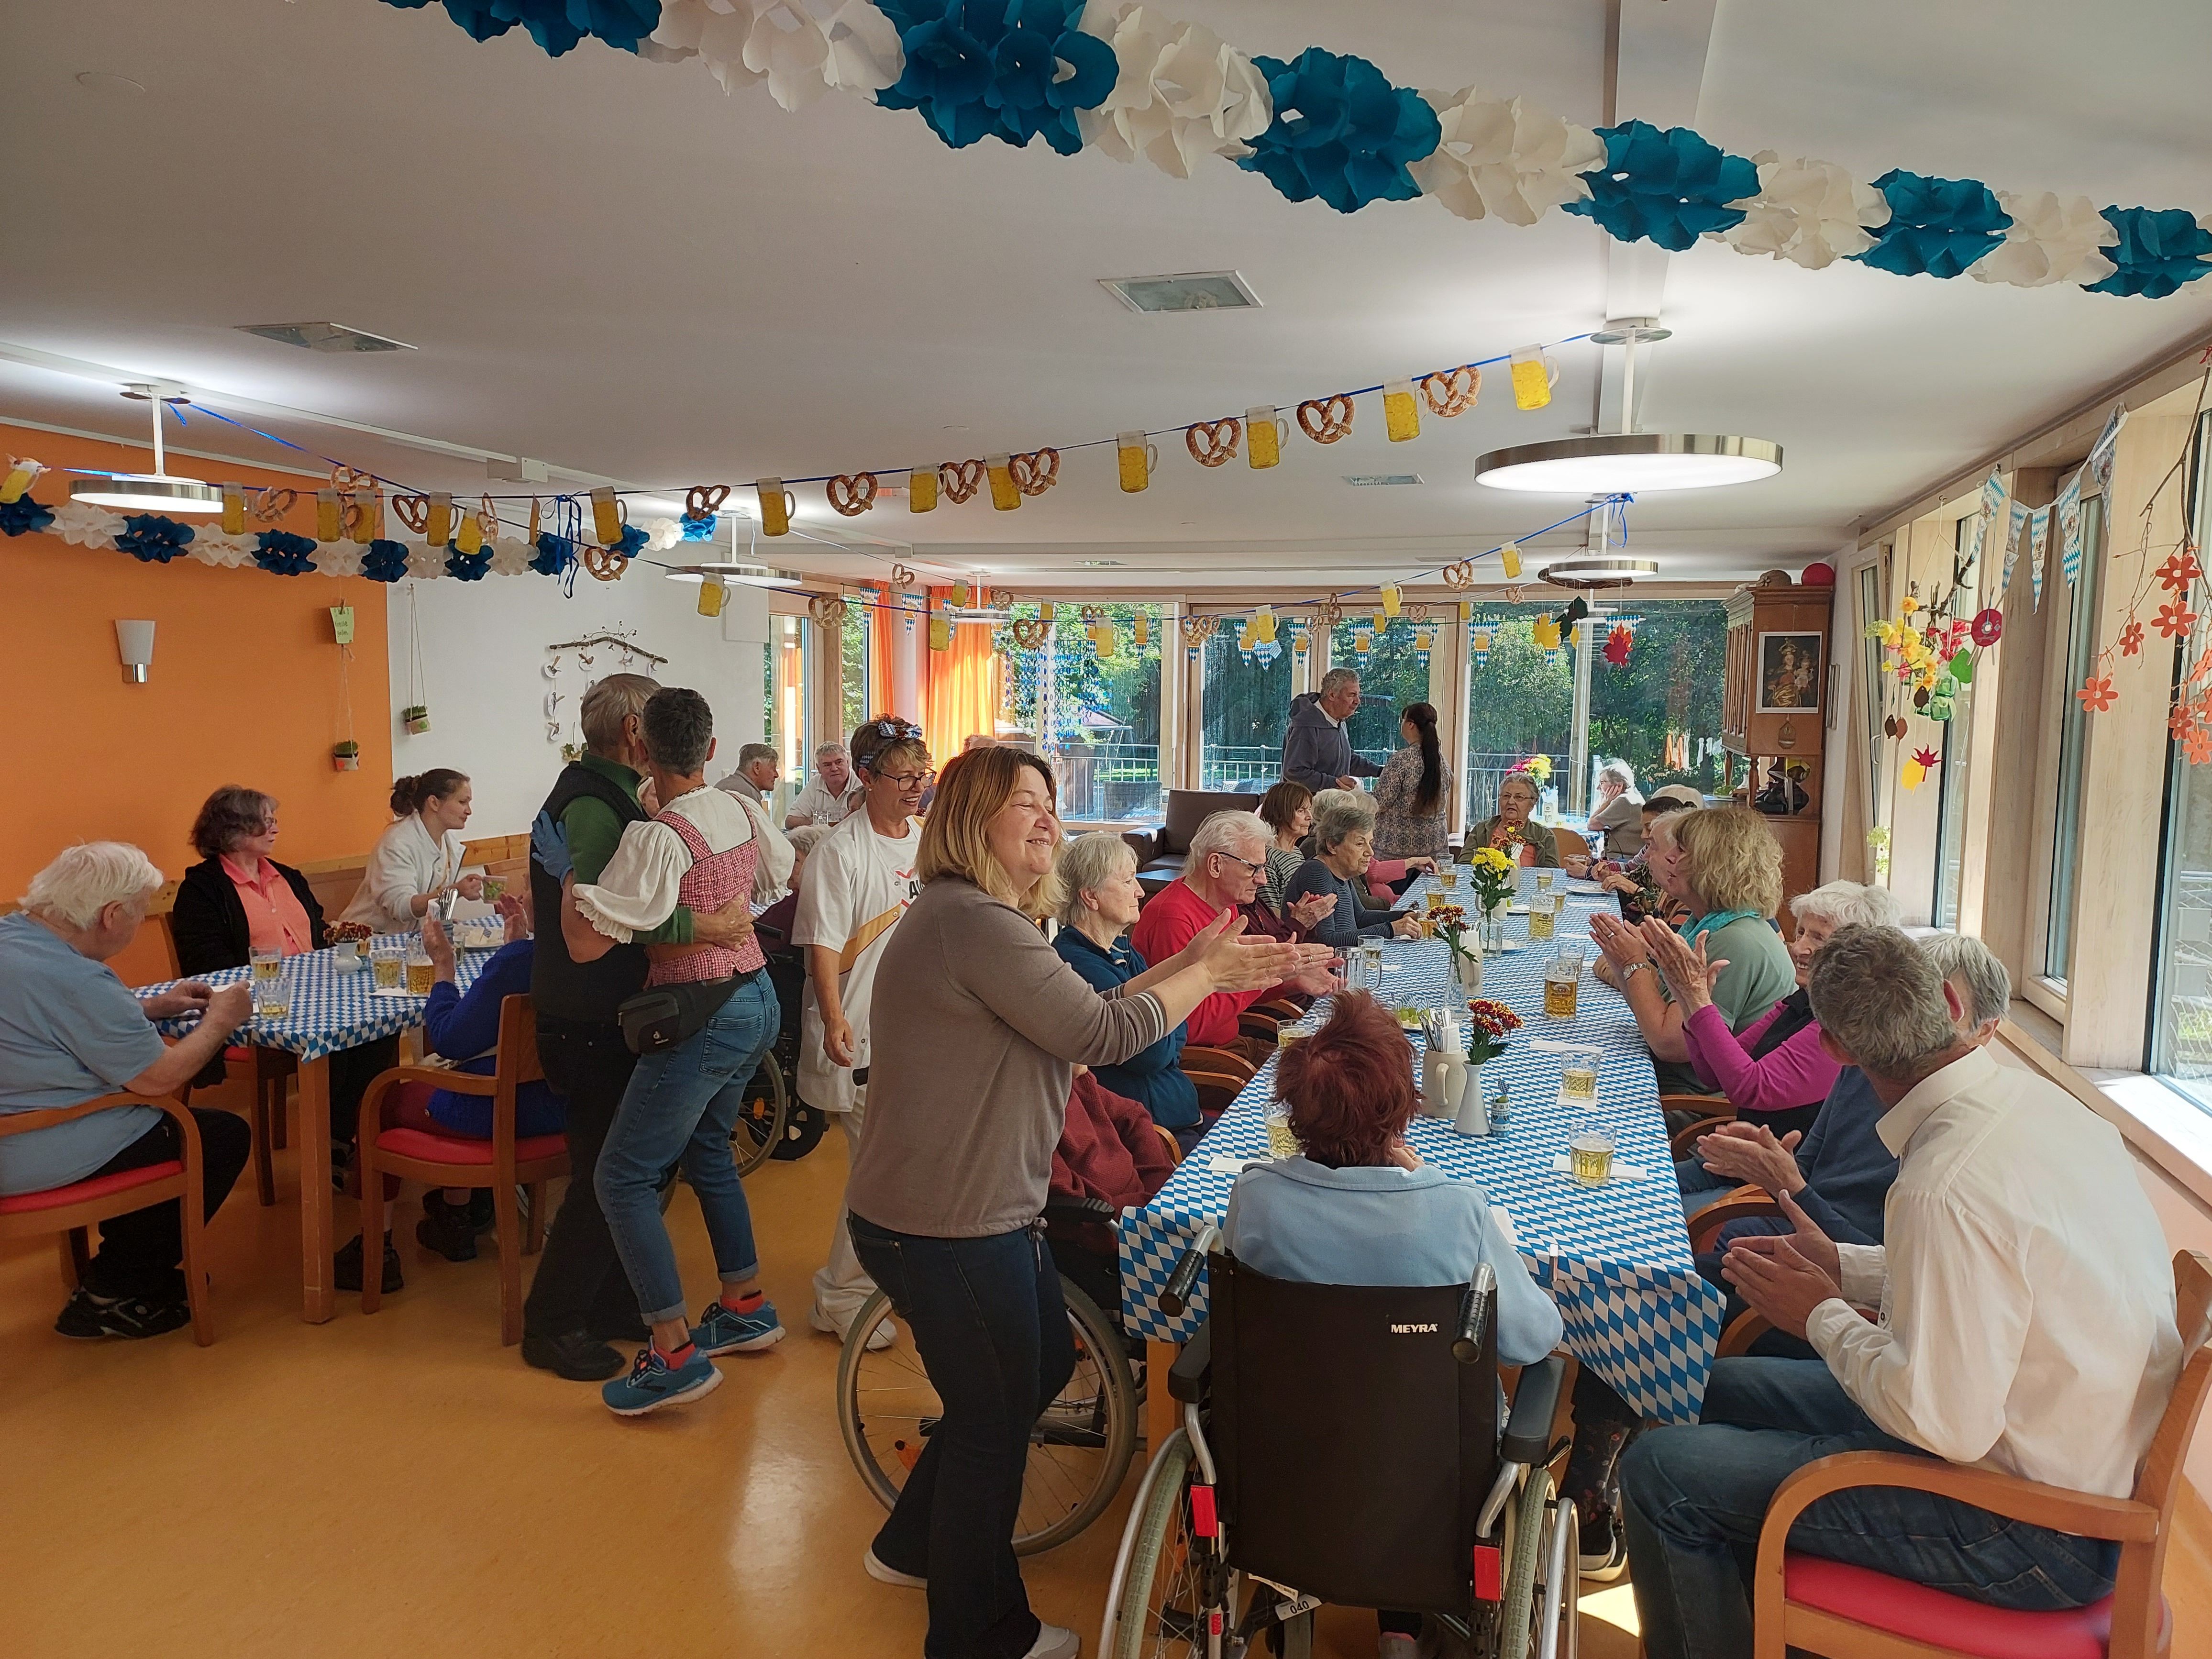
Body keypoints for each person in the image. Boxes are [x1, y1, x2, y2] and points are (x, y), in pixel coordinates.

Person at [843, 744, 1327, 1659]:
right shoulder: (973, 920)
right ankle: (978, 1632)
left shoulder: (983, 919)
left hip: (979, 1208)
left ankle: (907, 1545)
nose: (1047, 817)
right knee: (991, 1419)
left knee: (1023, 1380)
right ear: (970, 820)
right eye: (1023, 801)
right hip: (946, 1220)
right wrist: (1207, 976)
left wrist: (1189, 961)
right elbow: (1102, 1034)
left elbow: (1082, 1013)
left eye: (1048, 801)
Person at [1619, 926, 2181, 1659]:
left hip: (2032, 1528)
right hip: (2068, 1461)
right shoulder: (2046, 1110)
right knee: (1710, 1386)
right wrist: (1844, 1266)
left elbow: (1942, 1425)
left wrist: (1821, 1317)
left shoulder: (1943, 1183)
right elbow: (1999, 1279)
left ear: (1835, 1049)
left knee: (1661, 1472)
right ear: (1949, 1002)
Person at [1224, 990, 1561, 1659]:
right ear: (1401, 1110)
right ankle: (1403, 1625)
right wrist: (1426, 1177)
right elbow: (1531, 1339)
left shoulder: (1254, 1197)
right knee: (1411, 1409)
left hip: (1286, 1458)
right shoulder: (1454, 1209)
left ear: (1295, 1111)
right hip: (1428, 1480)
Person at [521, 674, 760, 1384]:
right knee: (608, 1175)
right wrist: (708, 925)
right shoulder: (592, 803)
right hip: (589, 1017)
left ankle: (611, 1301)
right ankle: (554, 1323)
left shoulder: (619, 793)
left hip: (613, 1012)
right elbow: (603, 920)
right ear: (634, 733)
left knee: (633, 1172)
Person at [0, 842, 254, 1339]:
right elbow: (160, 1077)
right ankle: (112, 1292)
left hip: (15, 1132)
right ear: (112, 915)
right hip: (34, 1147)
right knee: (215, 1136)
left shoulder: (14, 937)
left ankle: (127, 1269)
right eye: (140, 911)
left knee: (157, 1129)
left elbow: (51, 1018)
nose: (139, 922)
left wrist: (149, 1007)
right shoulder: (77, 977)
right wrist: (221, 1020)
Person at [172, 785, 406, 1287]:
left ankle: (347, 1136)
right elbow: (207, 965)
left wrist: (337, 940)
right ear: (233, 830)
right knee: (338, 1041)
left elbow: (317, 933)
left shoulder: (288, 876)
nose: (275, 827)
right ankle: (340, 1141)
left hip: (315, 998)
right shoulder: (202, 890)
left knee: (377, 1028)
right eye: (265, 820)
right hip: (251, 1012)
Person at [796, 716, 930, 1350]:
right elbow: (821, 947)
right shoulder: (839, 852)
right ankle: (840, 1296)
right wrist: (834, 1018)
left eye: (922, 775)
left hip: (918, 1034)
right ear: (867, 777)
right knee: (879, 1170)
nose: (916, 787)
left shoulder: (926, 842)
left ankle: (882, 1278)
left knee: (901, 1167)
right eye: (903, 777)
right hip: (862, 1035)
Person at [1643, 879, 1898, 1142]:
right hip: (1741, 1150)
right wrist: (1689, 1002)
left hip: (1768, 1165)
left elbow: (1751, 1088)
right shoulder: (1803, 1001)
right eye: (1800, 933)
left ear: (1856, 952)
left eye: (1818, 938)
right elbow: (1712, 1073)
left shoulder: (1843, 1026)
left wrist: (1697, 1000)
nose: (1798, 948)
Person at [1589, 805, 1796, 1096]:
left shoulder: (1733, 940)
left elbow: (1669, 1044)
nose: (1670, 857)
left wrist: (1633, 962)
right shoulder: (1710, 923)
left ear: (1718, 865)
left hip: (1695, 1098)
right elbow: (1659, 1000)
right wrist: (1623, 958)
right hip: (1672, 1078)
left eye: (1683, 851)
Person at [401, 900, 565, 1262]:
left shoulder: (520, 961)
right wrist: (514, 946)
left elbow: (449, 1038)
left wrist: (443, 966)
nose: (522, 895)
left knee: (383, 1100)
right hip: (564, 1107)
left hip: (501, 1111)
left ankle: (382, 1247)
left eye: (528, 887)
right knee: (463, 1074)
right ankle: (470, 1203)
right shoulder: (597, 955)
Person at [1130, 811, 1340, 1054]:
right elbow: (1189, 1026)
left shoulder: (1226, 905)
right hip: (1204, 1057)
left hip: (1232, 1044)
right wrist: (1264, 973)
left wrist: (1290, 980)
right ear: (1216, 865)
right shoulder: (1172, 917)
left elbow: (1230, 992)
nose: (1262, 880)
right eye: (1254, 868)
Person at [1051, 833, 1203, 1149]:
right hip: (1148, 1137)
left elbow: (1180, 1026)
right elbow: (1151, 1055)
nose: (1139, 891)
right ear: (1091, 897)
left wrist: (1163, 1029)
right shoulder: (1075, 963)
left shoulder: (1122, 949)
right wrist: (1165, 1029)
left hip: (1176, 1116)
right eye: (1127, 881)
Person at [1046, 1066, 1178, 1324]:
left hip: (1147, 1209)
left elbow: (1133, 1115)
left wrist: (1158, 1185)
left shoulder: (1078, 1080)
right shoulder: (1027, 1113)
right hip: (1112, 1242)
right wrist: (1150, 1208)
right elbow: (1075, 1213)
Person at [339, 769, 483, 932]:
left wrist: (444, 923)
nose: (469, 811)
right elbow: (401, 909)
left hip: (412, 938)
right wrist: (455, 892)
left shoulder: (450, 844)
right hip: (368, 938)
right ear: (434, 803)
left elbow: (436, 904)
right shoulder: (397, 844)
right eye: (463, 802)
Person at [1283, 796, 1426, 950]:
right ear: (1332, 845)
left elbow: (1361, 917)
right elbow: (1326, 940)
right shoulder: (1317, 874)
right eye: (1360, 844)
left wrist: (1403, 916)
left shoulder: (1341, 872)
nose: (1370, 852)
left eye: (1370, 843)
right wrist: (1391, 929)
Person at [1371, 702, 1453, 866]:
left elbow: (1379, 803)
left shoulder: (1402, 760)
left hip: (1398, 856)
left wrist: (1355, 793)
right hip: (1434, 851)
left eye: (1402, 720)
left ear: (1410, 725)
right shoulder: (1441, 762)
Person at [1282, 667, 1381, 792]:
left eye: (1358, 695)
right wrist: (1334, 783)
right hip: (1306, 803)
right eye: (1352, 695)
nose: (1358, 701)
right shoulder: (1306, 726)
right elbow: (1294, 773)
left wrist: (1380, 771)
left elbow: (1346, 760)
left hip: (1331, 801)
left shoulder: (1339, 722)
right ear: (1332, 695)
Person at [755, 821, 831, 947]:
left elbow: (759, 941)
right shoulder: (825, 899)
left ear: (815, 863)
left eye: (795, 860)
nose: (788, 866)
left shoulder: (799, 903)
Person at [1462, 770, 1558, 868]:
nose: (1511, 802)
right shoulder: (1482, 829)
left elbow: (1551, 873)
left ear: (1533, 803)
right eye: (1506, 796)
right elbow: (1463, 867)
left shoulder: (1544, 836)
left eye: (1519, 797)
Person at [1256, 779, 1314, 917]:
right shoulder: (1267, 857)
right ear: (1280, 814)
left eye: (1310, 810)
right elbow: (1271, 915)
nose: (1309, 817)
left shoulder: (1297, 852)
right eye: (1301, 811)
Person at [786, 740, 866, 829]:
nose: (834, 768)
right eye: (827, 765)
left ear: (848, 762)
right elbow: (790, 822)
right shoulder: (815, 783)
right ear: (819, 768)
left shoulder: (861, 782)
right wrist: (823, 821)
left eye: (839, 762)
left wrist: (819, 821)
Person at [1584, 759, 1645, 859]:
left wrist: (1606, 803)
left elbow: (1592, 825)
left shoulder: (1624, 801)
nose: (1598, 788)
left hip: (1621, 861)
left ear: (1619, 786)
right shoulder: (1632, 798)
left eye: (1602, 782)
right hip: (1627, 859)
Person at [714, 741, 781, 808]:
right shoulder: (748, 795)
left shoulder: (723, 784)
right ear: (757, 767)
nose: (776, 775)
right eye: (773, 769)